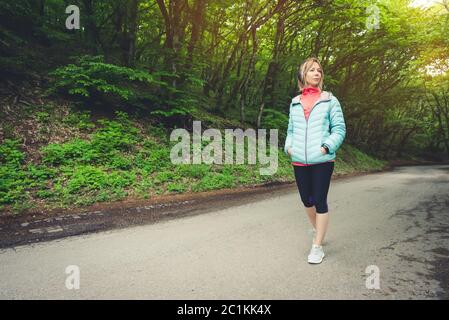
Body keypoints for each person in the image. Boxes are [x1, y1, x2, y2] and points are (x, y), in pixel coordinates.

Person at [284, 57, 346, 264]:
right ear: (303, 74)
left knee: (319, 200)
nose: (317, 73)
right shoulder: (295, 102)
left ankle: (317, 246)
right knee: (306, 201)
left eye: (319, 70)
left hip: (322, 159)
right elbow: (291, 130)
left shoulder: (330, 100)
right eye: (312, 70)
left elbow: (339, 129)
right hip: (299, 159)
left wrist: (327, 146)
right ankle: (318, 229)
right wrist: (288, 147)